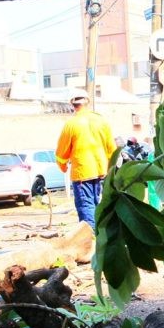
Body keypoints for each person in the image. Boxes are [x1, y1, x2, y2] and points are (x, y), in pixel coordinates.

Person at [55, 89, 116, 230]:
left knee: (86, 206)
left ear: (72, 104)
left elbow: (61, 153)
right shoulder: (101, 121)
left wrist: (63, 166)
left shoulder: (71, 124)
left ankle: (91, 237)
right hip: (102, 171)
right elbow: (111, 149)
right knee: (98, 206)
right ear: (87, 101)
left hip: (82, 173)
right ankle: (100, 236)